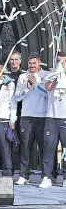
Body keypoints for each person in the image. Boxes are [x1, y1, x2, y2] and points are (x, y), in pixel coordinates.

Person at [13, 52, 49, 186]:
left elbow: (48, 95)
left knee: (44, 147)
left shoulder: (46, 75)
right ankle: (23, 175)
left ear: (39, 63)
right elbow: (17, 98)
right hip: (26, 116)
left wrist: (37, 84)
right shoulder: (23, 77)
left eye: (34, 63)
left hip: (42, 116)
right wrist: (27, 88)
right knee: (25, 147)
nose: (32, 66)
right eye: (30, 63)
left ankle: (47, 175)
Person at [41, 51, 66, 188]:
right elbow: (48, 87)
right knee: (49, 147)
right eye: (58, 61)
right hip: (51, 116)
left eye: (63, 62)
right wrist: (57, 74)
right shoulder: (52, 75)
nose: (61, 64)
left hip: (65, 117)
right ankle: (46, 176)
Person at [7, 50, 24, 175]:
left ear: (20, 61)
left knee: (23, 141)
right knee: (9, 141)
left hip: (23, 112)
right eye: (12, 60)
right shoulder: (5, 76)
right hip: (8, 112)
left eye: (16, 59)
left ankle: (22, 170)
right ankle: (10, 168)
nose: (14, 62)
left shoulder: (24, 75)